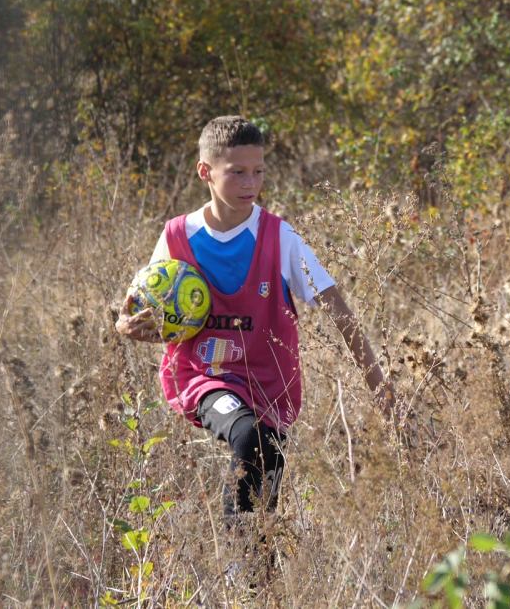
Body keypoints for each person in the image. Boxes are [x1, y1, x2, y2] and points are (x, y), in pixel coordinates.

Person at [115, 116, 394, 521]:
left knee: (267, 478)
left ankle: (256, 577)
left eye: (259, 172)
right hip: (203, 377)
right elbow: (138, 307)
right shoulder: (177, 237)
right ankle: (237, 569)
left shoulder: (279, 238)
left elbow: (339, 312)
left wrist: (382, 390)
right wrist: (126, 327)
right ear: (205, 172)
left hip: (271, 387)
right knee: (250, 436)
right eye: (237, 172)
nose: (250, 183)